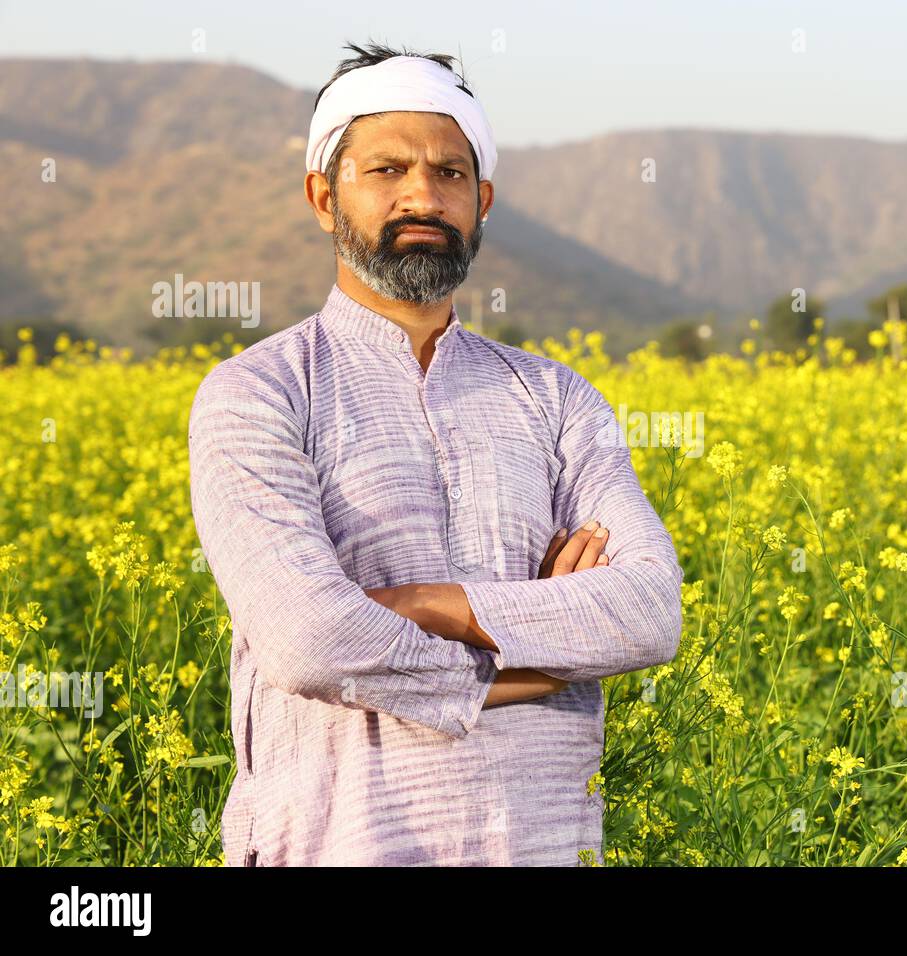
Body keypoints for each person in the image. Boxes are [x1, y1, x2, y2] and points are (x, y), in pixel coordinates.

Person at [187, 41, 684, 866]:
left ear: (482, 200)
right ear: (323, 197)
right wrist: (540, 663)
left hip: (541, 845)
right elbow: (307, 638)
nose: (423, 195)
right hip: (335, 844)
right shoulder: (257, 393)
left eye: (451, 174)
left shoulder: (558, 399)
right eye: (386, 171)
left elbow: (646, 610)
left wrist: (419, 602)